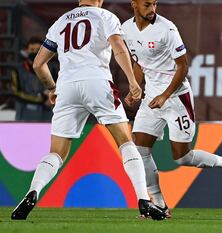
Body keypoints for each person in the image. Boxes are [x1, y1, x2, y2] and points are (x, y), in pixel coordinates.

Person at [11, 0, 166, 221]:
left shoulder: (61, 21)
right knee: (125, 141)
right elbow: (118, 47)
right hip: (97, 82)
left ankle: (32, 192)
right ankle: (143, 201)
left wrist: (53, 88)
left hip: (66, 87)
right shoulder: (105, 16)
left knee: (56, 152)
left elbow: (38, 64)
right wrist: (132, 81)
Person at [121, 0, 222, 217]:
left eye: (154, 4)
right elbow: (140, 62)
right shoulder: (126, 29)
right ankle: (160, 204)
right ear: (133, 4)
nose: (152, 9)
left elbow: (182, 66)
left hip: (176, 98)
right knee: (141, 149)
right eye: (146, 4)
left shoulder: (167, 29)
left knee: (182, 157)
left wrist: (165, 95)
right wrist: (135, 86)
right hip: (152, 97)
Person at [11, 37, 53, 121]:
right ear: (26, 51)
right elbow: (16, 93)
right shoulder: (17, 70)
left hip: (47, 115)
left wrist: (51, 97)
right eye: (32, 49)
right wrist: (40, 98)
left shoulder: (51, 68)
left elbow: (56, 88)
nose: (35, 52)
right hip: (25, 116)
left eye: (38, 50)